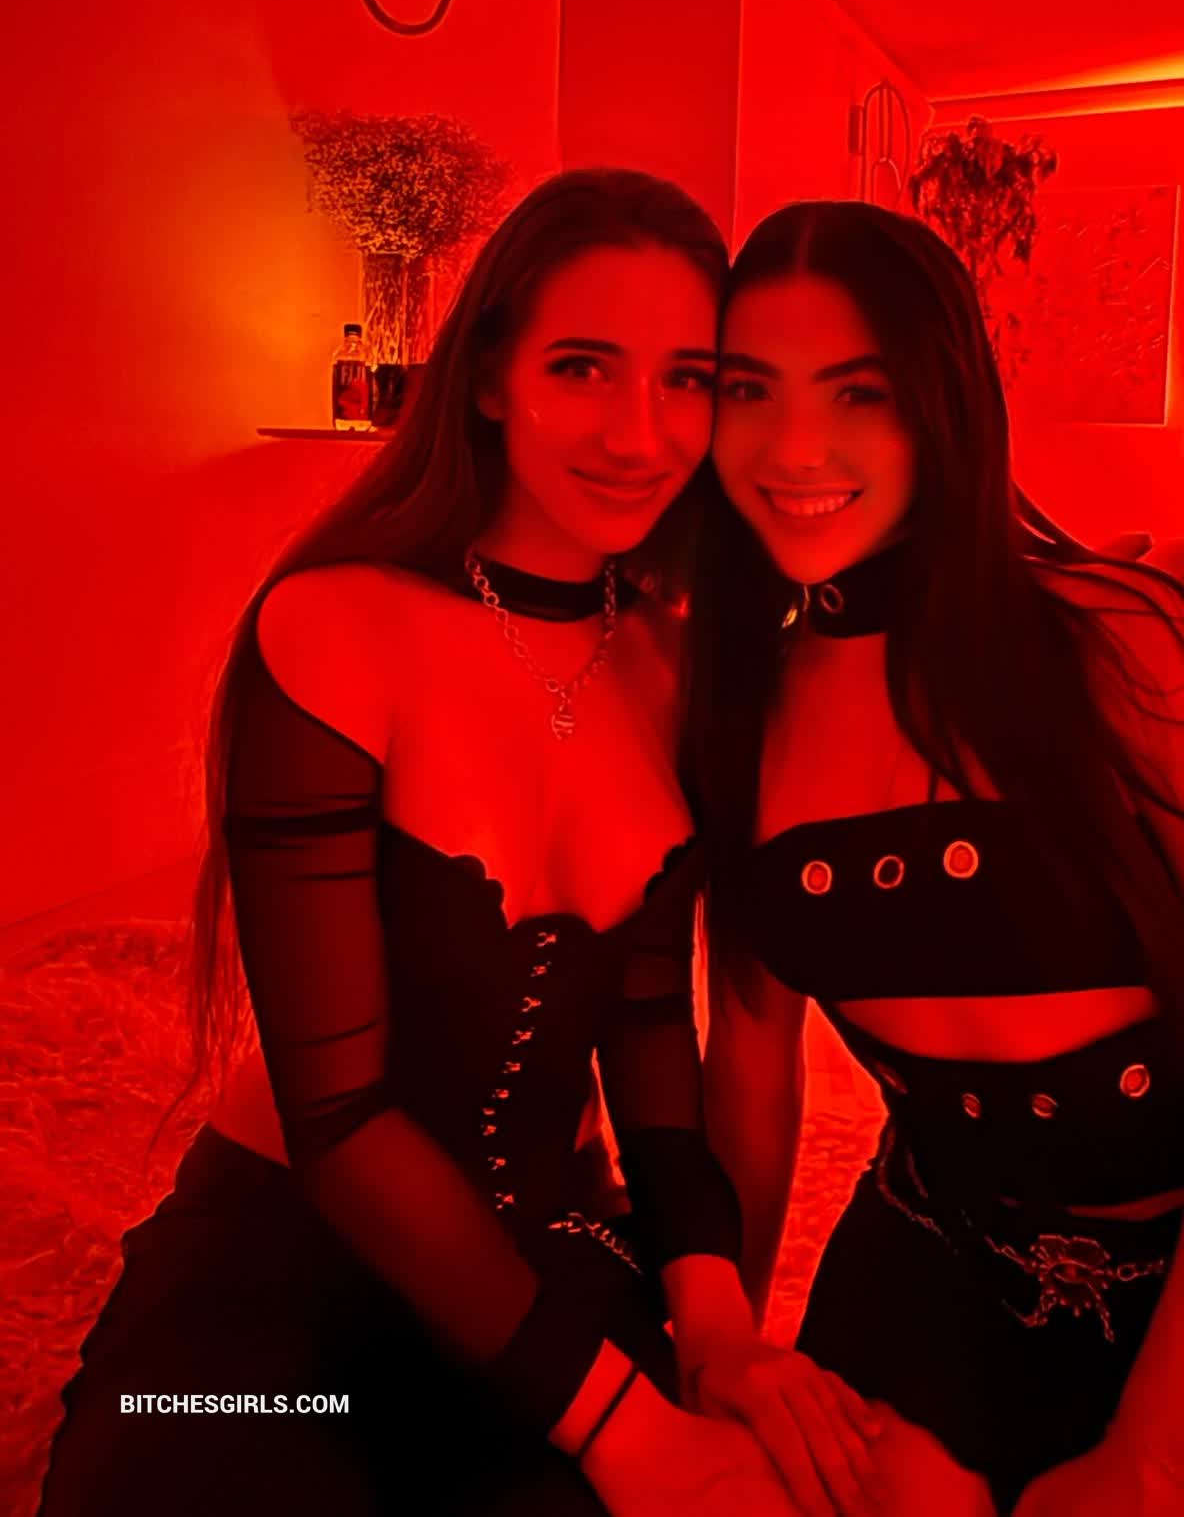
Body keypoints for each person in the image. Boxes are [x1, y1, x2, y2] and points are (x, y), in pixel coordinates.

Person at [40, 170, 861, 1517]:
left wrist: (715, 1326)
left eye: (687, 379)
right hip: (288, 1270)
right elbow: (342, 1122)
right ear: (488, 377)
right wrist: (626, 1431)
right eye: (582, 367)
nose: (639, 432)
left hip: (543, 1246)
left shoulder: (672, 667)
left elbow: (648, 1031)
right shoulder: (333, 629)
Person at [686, 199, 1184, 1516]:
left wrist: (1166, 1452)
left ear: (942, 405)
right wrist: (723, 1364)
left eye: (857, 392)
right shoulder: (735, 707)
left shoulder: (1121, 641)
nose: (795, 447)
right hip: (930, 1273)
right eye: (750, 390)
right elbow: (749, 1073)